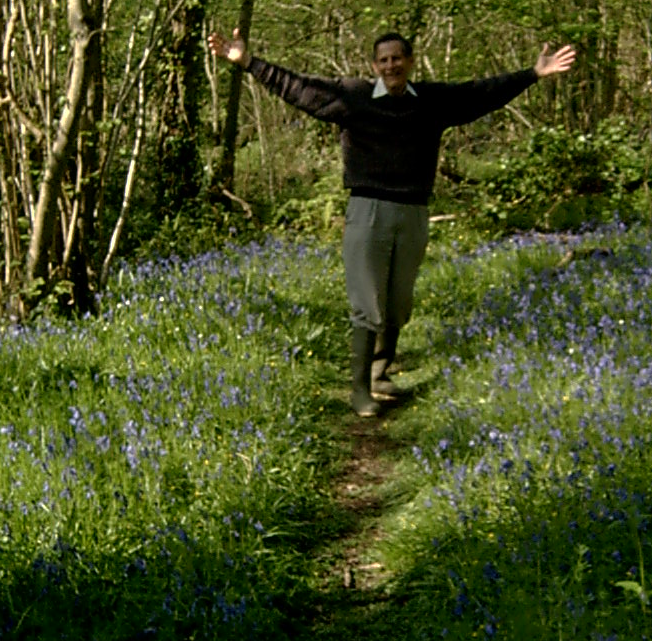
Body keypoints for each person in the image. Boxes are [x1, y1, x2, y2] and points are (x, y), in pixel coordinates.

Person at [207, 26, 576, 416]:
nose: (391, 66)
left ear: (410, 61)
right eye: (383, 60)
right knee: (367, 300)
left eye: (397, 58)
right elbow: (298, 88)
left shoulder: (432, 101)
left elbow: (480, 94)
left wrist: (533, 74)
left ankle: (382, 368)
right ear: (374, 65)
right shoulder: (354, 98)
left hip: (413, 211)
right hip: (367, 209)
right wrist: (247, 62)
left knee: (399, 301)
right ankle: (360, 389)